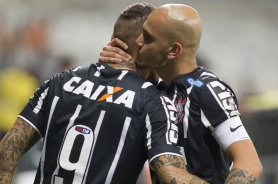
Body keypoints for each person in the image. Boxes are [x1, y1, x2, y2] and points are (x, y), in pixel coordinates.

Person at [0, 3, 208, 184]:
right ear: (143, 46)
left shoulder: (59, 82)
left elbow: (7, 150)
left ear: (113, 39)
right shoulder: (152, 103)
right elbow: (171, 174)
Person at [99, 3, 263, 184]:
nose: (139, 42)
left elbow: (249, 162)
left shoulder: (206, 90)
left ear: (173, 50)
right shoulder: (154, 89)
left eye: (148, 38)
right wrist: (108, 68)